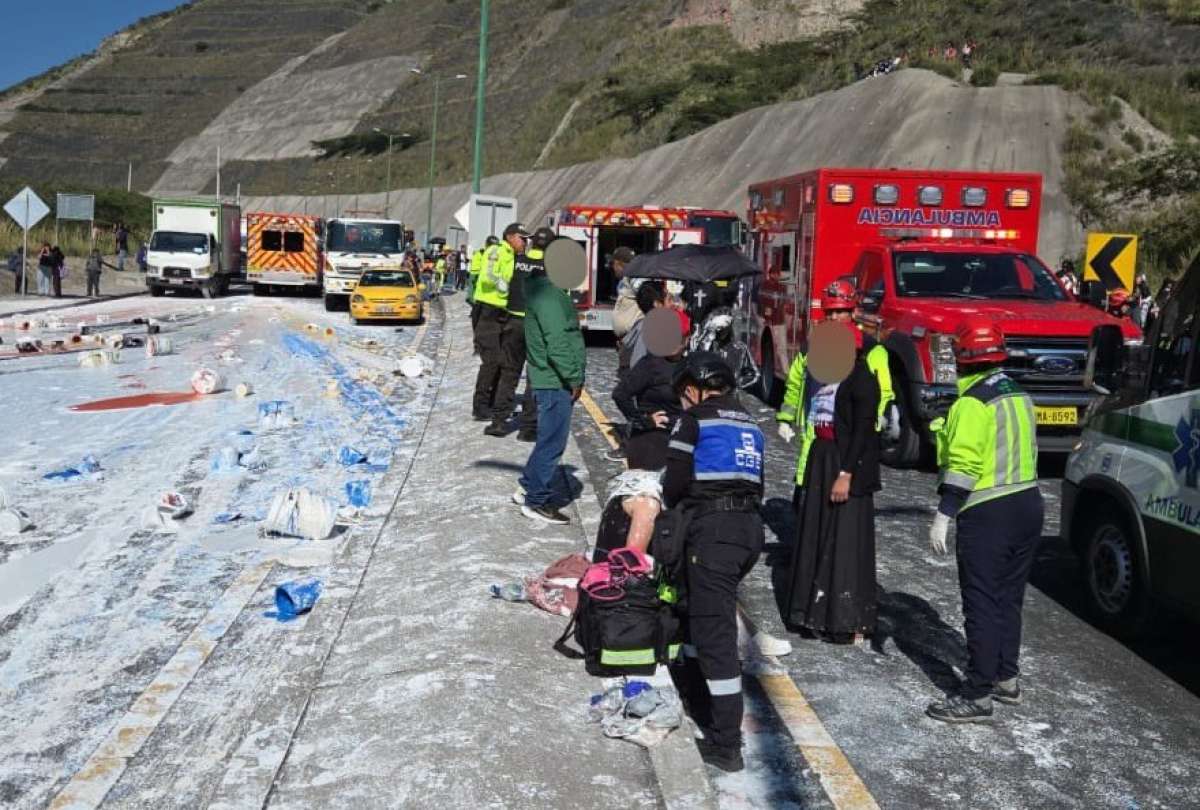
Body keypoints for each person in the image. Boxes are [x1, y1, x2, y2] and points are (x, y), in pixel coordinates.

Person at [925, 318, 1042, 724]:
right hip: (1028, 503)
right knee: (1009, 598)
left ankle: (977, 693)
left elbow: (964, 463)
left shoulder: (971, 403)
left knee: (982, 602)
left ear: (962, 359)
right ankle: (1006, 677)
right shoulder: (1018, 394)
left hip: (988, 510)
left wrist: (945, 513)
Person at [664, 352, 765, 772]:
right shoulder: (749, 423)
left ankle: (726, 744)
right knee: (697, 611)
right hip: (748, 531)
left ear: (694, 387)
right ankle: (696, 695)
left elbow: (674, 482)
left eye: (683, 393)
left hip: (715, 531)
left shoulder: (693, 420)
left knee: (715, 635)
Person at [782, 320, 881, 644]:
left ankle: (845, 621)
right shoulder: (826, 376)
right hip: (822, 457)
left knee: (844, 543)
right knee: (815, 533)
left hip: (844, 463)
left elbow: (863, 432)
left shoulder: (862, 380)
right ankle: (810, 614)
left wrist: (845, 474)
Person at [516, 244, 586, 525]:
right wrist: (574, 378)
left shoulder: (545, 293)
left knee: (547, 440)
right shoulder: (549, 298)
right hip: (555, 379)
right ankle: (537, 501)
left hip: (548, 376)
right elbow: (557, 343)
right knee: (552, 443)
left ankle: (527, 486)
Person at [777, 280, 860, 510]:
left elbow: (880, 393)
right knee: (805, 506)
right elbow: (795, 382)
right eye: (830, 312)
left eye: (840, 312)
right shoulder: (812, 347)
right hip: (813, 438)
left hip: (843, 442)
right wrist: (786, 418)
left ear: (854, 312)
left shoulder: (867, 349)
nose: (834, 317)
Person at [612, 317, 683, 470]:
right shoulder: (651, 363)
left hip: (682, 440)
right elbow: (620, 394)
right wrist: (643, 421)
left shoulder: (691, 364)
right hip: (654, 439)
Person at [482, 224, 532, 436]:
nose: (524, 242)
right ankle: (529, 427)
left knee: (509, 373)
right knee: (535, 376)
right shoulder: (544, 264)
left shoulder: (519, 262)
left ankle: (500, 421)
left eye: (527, 239)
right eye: (522, 238)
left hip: (513, 322)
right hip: (534, 324)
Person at [610, 247, 640, 339]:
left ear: (620, 265)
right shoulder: (622, 282)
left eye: (613, 264)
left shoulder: (635, 281)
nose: (612, 267)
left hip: (634, 336)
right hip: (625, 338)